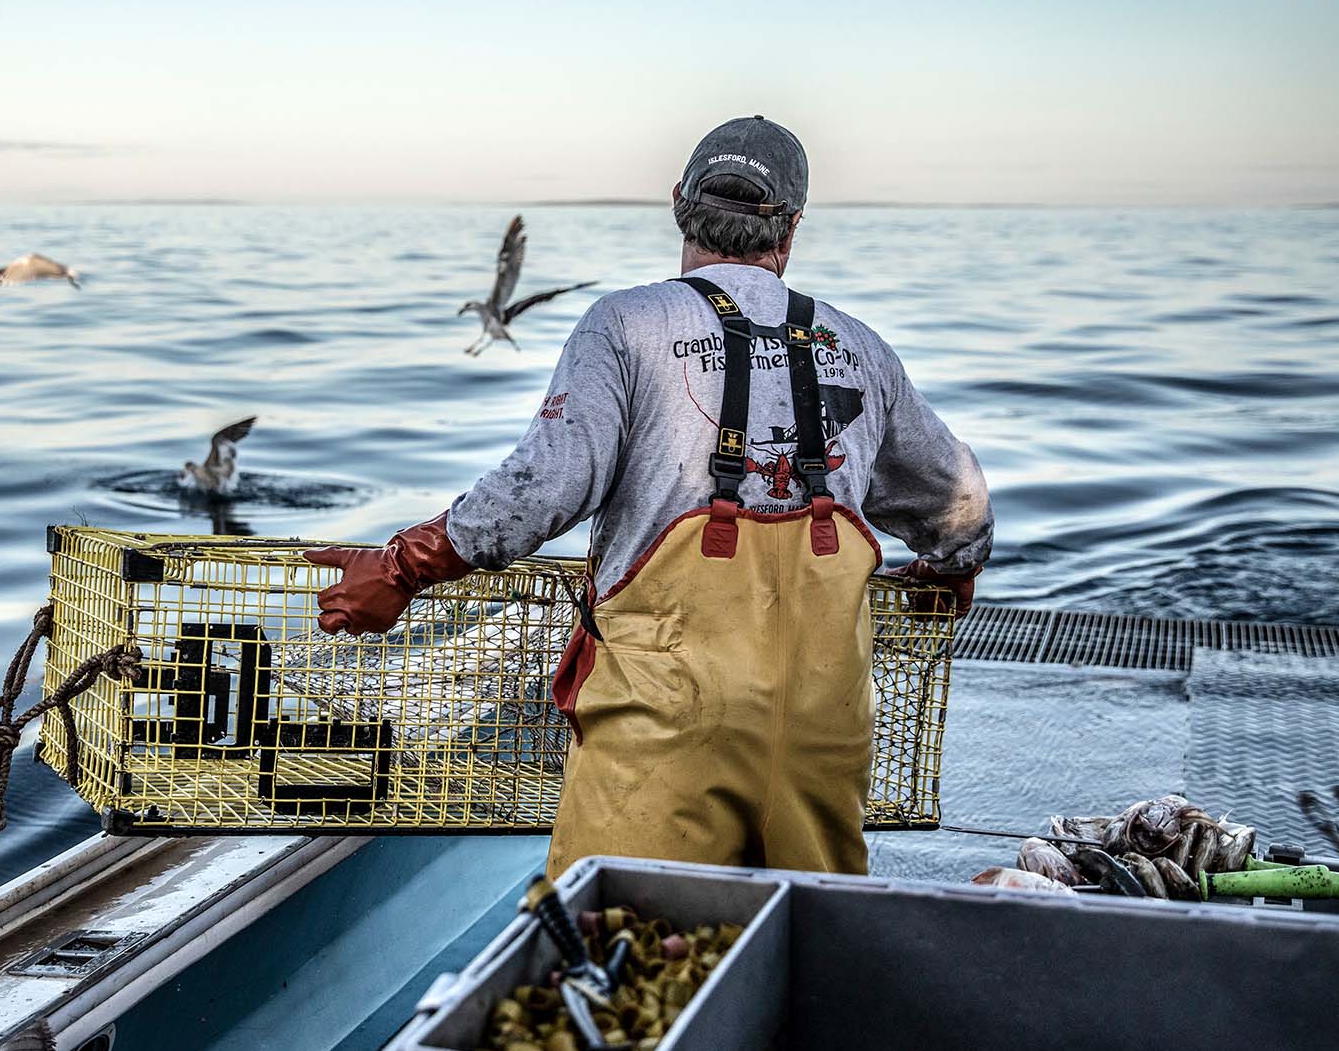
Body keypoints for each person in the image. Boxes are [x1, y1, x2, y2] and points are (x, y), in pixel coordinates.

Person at [307, 115, 992, 879]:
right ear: (791, 228)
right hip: (821, 728)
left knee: (619, 954)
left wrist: (403, 566)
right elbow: (960, 509)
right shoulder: (859, 345)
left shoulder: (623, 326)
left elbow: (546, 485)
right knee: (812, 949)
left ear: (678, 203)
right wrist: (950, 571)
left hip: (666, 724)